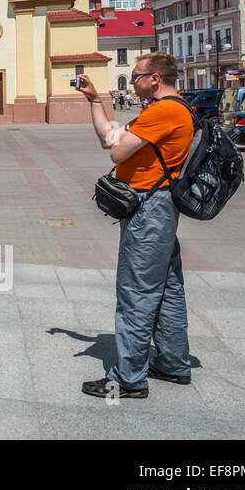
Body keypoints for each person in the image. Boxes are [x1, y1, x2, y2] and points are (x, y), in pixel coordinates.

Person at [75, 53, 195, 400]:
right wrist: (95, 100)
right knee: (168, 288)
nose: (132, 80)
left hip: (149, 210)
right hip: (160, 206)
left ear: (155, 78)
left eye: (136, 75)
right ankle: (173, 363)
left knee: (136, 291)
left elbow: (116, 153)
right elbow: (110, 138)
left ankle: (128, 379)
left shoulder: (163, 111)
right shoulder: (175, 109)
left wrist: (118, 142)